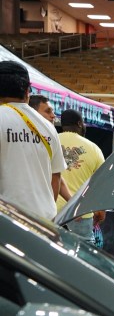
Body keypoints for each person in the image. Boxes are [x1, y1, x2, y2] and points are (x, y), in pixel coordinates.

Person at [0, 61, 66, 221]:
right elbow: (55, 177)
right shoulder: (48, 127)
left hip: (7, 222)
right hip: (43, 222)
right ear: (27, 91)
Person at [56, 108, 106, 242]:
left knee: (50, 246)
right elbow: (101, 183)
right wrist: (101, 209)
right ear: (79, 123)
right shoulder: (93, 148)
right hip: (80, 211)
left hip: (52, 208)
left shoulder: (51, 142)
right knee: (83, 248)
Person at [29, 94, 72, 204]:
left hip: (43, 207)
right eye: (48, 111)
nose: (53, 116)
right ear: (32, 113)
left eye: (52, 111)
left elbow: (56, 174)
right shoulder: (21, 136)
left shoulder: (51, 136)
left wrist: (72, 202)